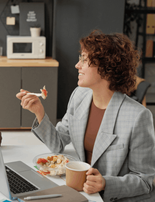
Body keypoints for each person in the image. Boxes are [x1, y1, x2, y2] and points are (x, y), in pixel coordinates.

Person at [16, 30, 155, 201]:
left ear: (106, 67)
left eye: (83, 59)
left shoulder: (138, 117)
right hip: (80, 191)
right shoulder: (79, 95)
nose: (77, 65)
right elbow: (58, 143)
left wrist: (105, 184)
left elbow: (146, 180)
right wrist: (39, 112)